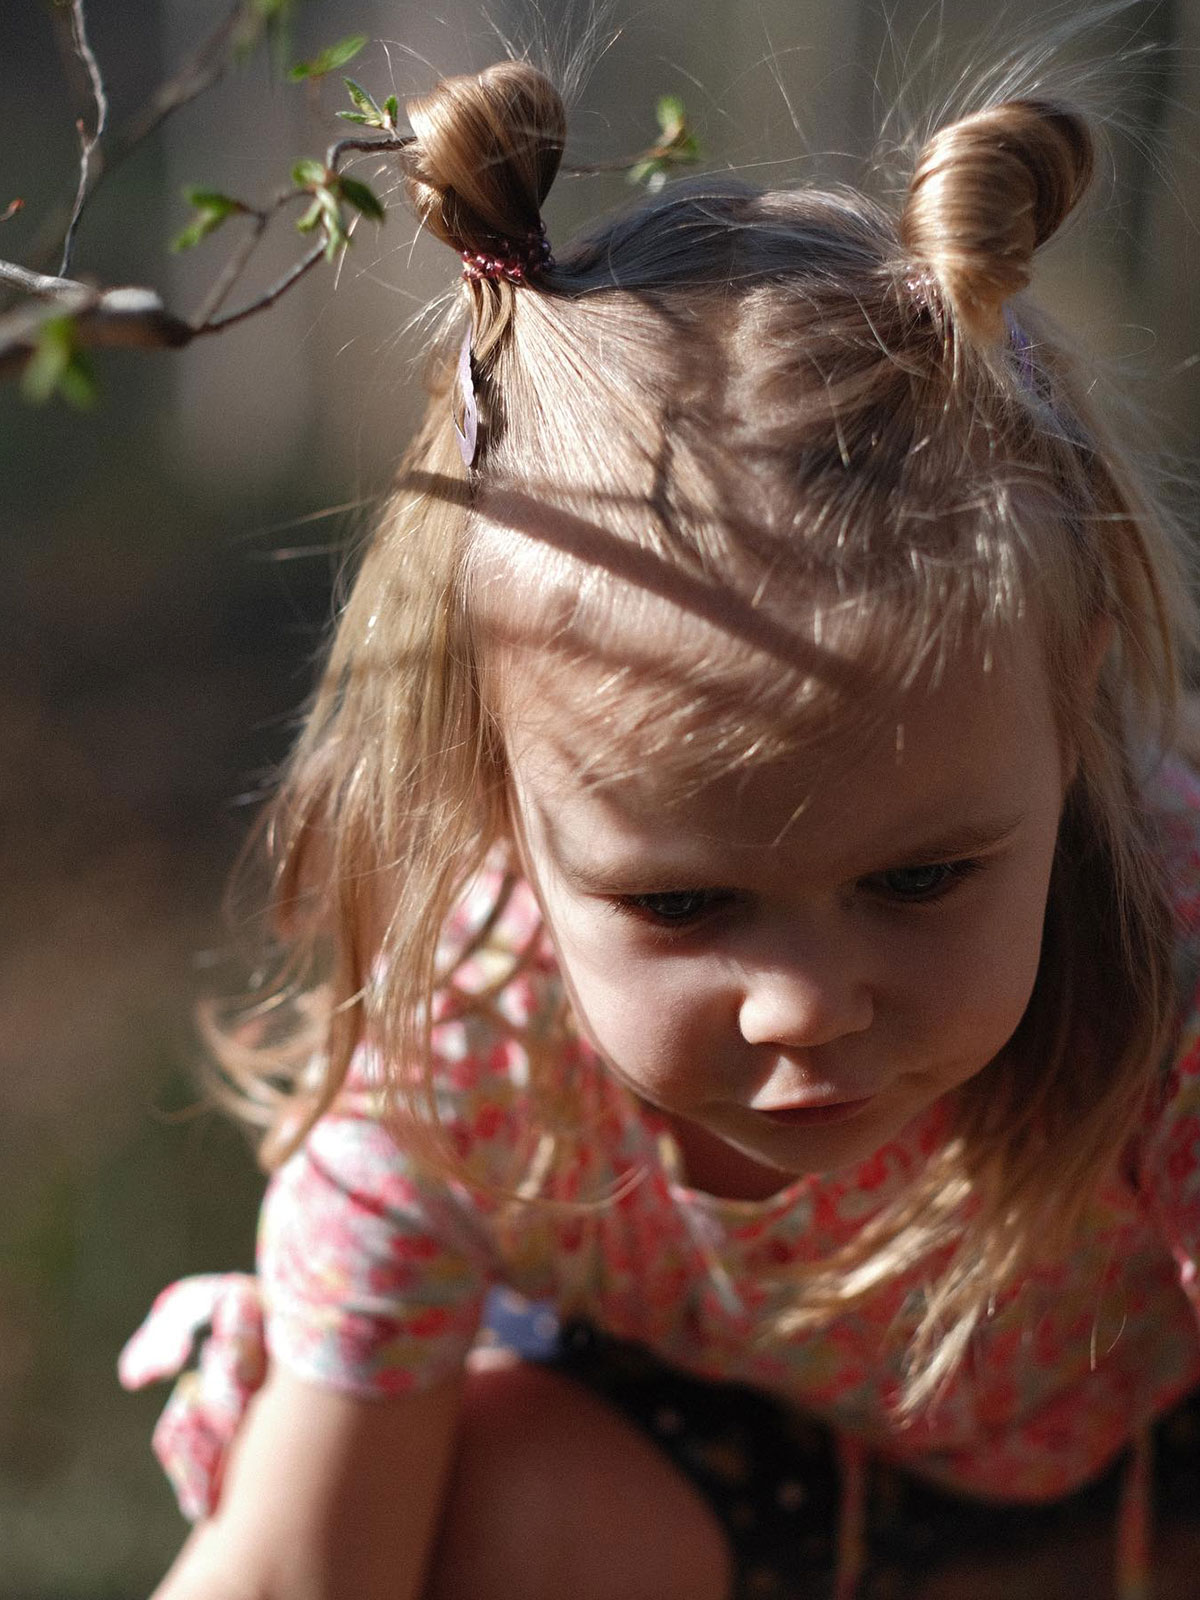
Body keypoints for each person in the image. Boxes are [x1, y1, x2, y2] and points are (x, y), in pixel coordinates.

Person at [120, 53, 1200, 1600]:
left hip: (1140, 1485)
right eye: (688, 908)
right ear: (492, 786)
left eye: (920, 878)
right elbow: (296, 1568)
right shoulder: (469, 1049)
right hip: (718, 1500)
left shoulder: (1172, 948)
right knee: (498, 1500)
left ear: (1073, 709)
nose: (809, 1005)